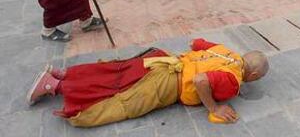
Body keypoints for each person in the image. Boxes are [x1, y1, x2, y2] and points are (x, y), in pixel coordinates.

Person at [27, 38, 269, 127]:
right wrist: (214, 108)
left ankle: (62, 74)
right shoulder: (234, 81)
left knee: (114, 72)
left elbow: (195, 43)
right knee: (122, 101)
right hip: (167, 82)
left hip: (162, 59)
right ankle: (54, 87)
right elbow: (200, 80)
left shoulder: (226, 50)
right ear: (254, 76)